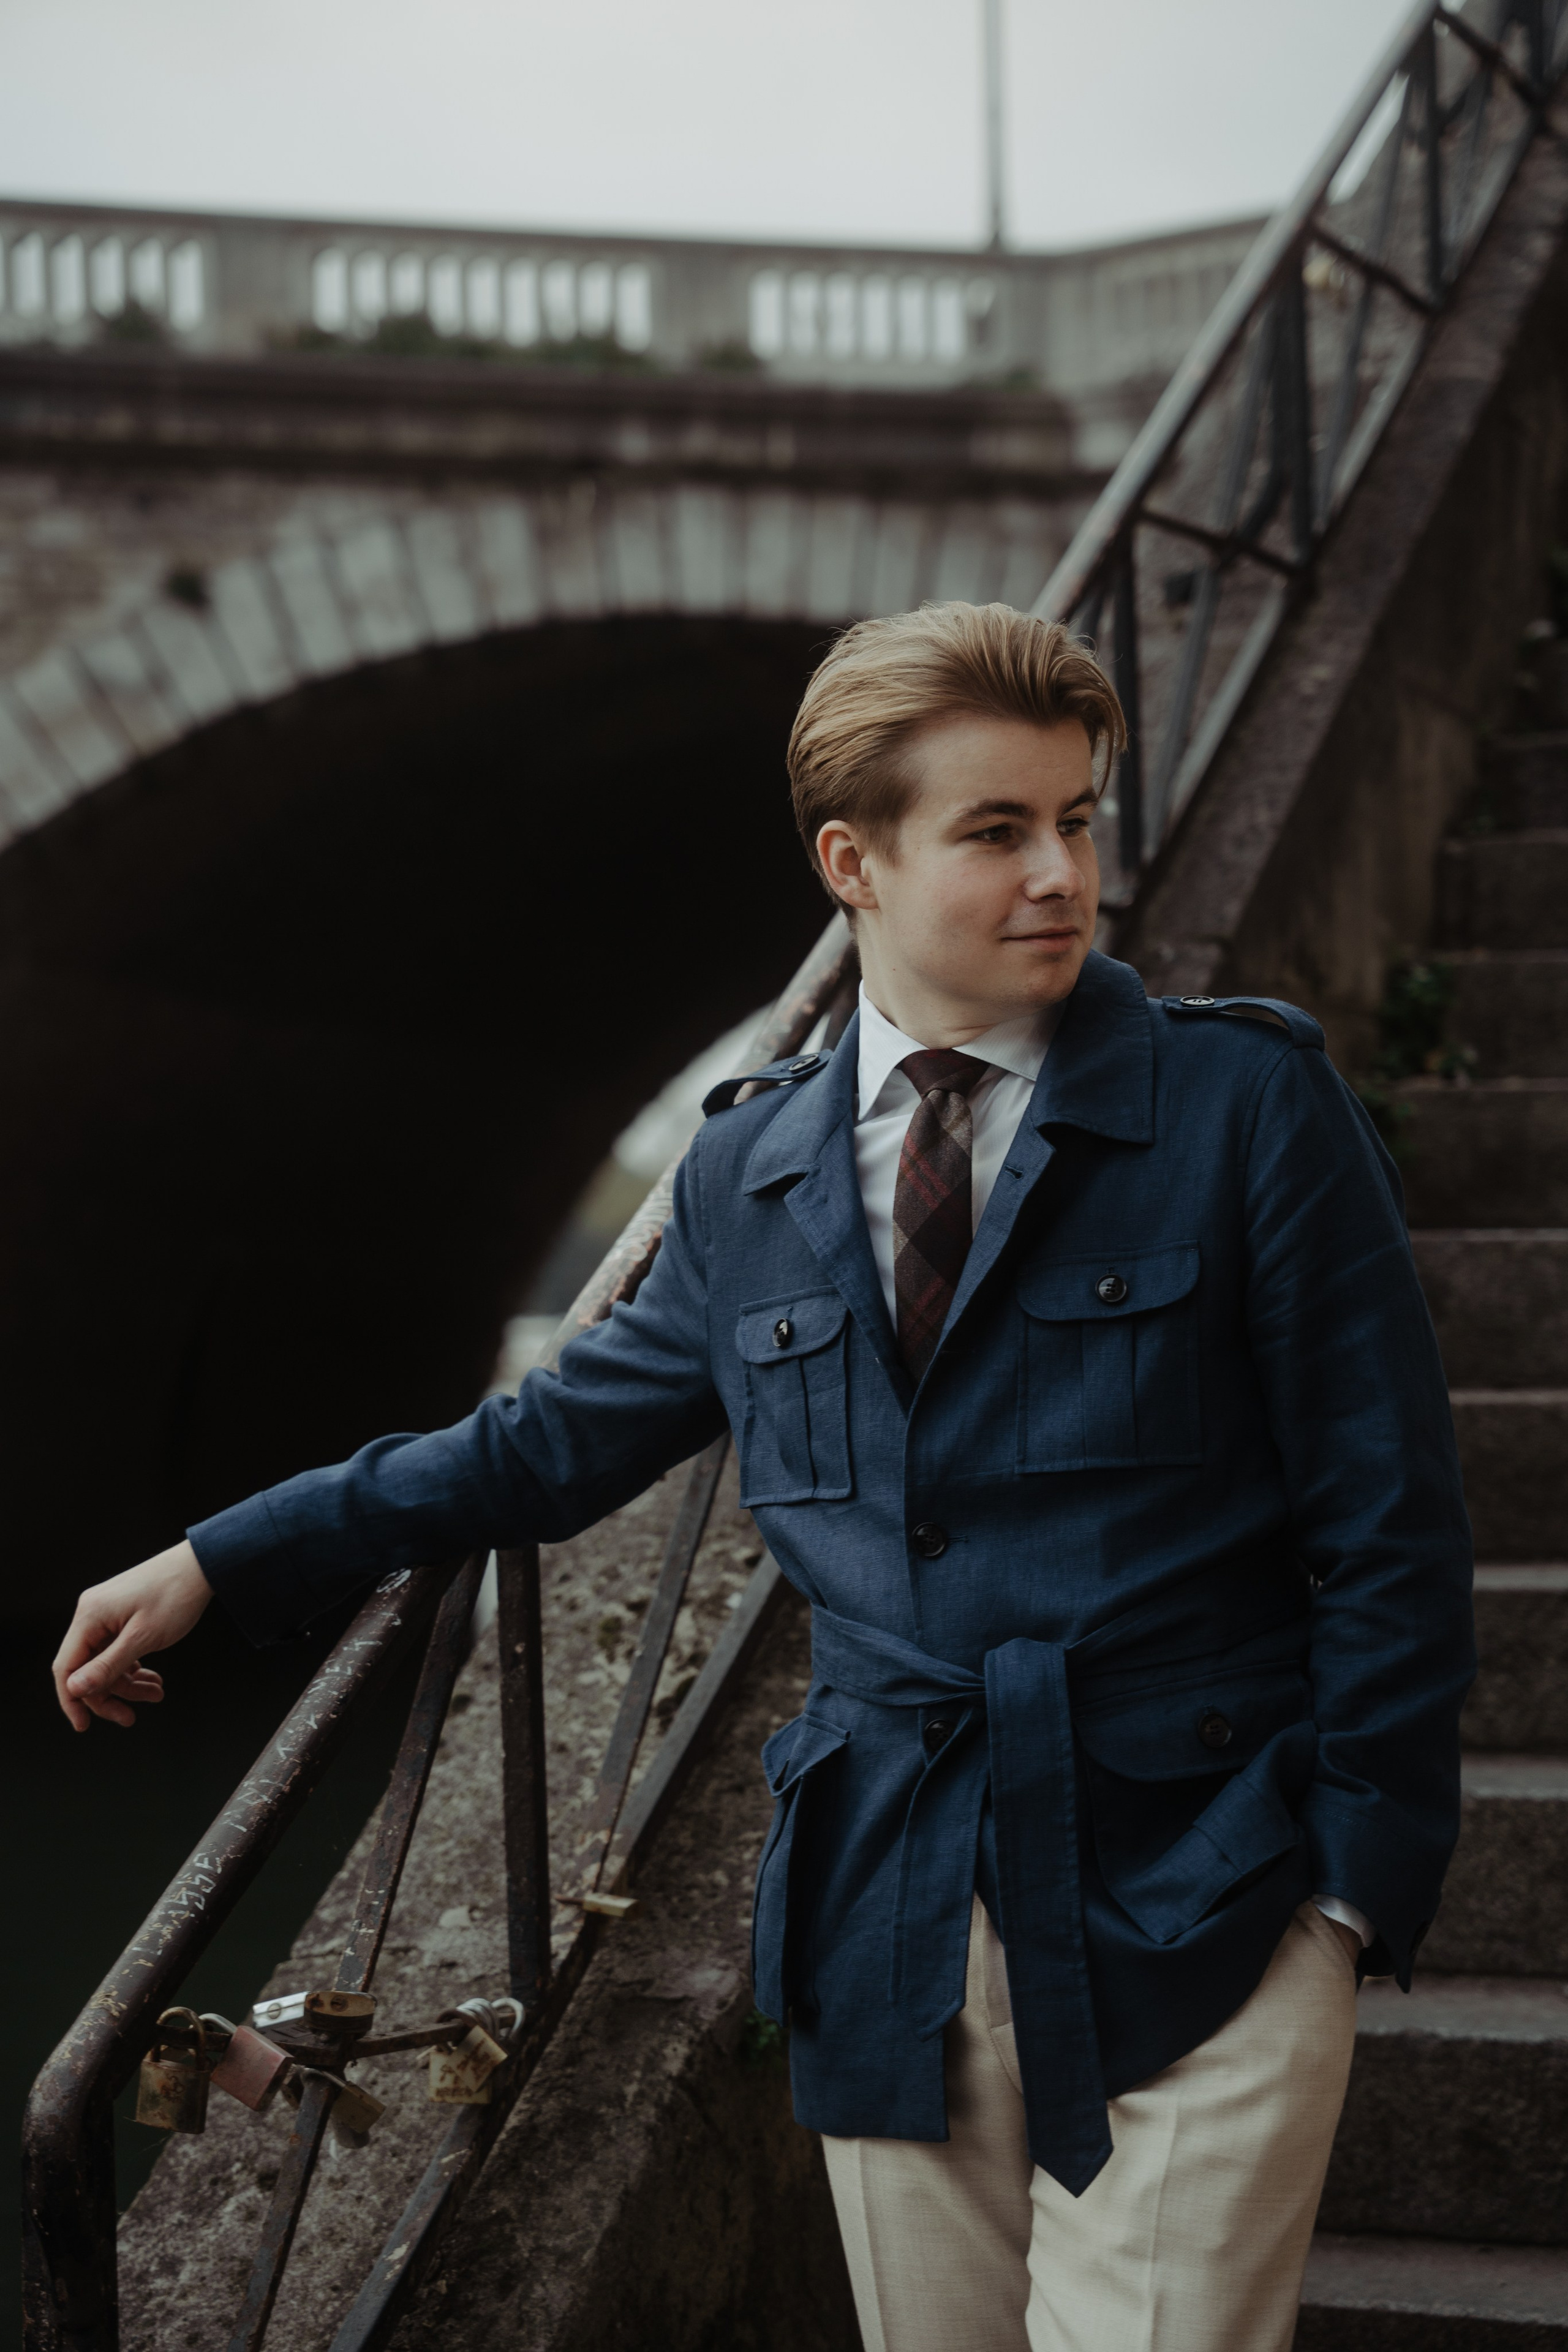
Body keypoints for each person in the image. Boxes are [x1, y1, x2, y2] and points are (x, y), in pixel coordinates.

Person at [54, 602, 1474, 2352]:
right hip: (892, 1905)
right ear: (852, 862)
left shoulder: (1246, 1110)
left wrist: (1347, 1891)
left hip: (1208, 1880)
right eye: (997, 829)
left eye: (1078, 818)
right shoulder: (754, 1175)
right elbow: (548, 1448)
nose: (1062, 872)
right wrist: (225, 1552)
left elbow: (1392, 1521)